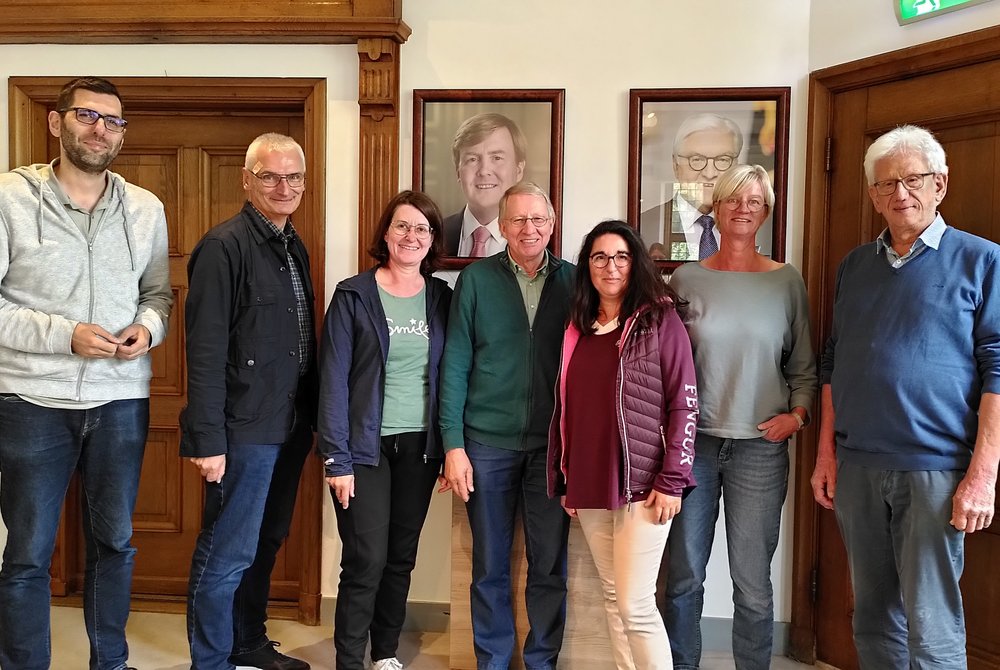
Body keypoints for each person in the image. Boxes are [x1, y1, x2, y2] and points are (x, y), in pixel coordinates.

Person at [810, 125, 1000, 668]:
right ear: (872, 195)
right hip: (859, 468)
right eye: (886, 184)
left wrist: (983, 474)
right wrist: (826, 453)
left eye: (912, 180)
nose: (900, 194)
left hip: (934, 470)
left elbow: (999, 371)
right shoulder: (854, 266)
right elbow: (833, 363)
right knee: (872, 617)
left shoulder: (983, 261)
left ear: (940, 184)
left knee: (931, 621)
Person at [0, 76, 172, 670]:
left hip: (120, 400)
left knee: (115, 545)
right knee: (27, 554)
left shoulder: (146, 208)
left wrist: (147, 329)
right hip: (30, 401)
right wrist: (64, 335)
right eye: (87, 116)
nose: (101, 130)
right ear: (57, 122)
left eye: (114, 121)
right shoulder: (10, 198)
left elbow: (159, 295)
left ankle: (111, 662)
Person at [663, 164, 817, 670]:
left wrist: (796, 418)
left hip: (760, 449)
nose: (743, 208)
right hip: (695, 448)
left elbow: (803, 368)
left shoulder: (786, 282)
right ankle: (682, 663)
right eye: (733, 199)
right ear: (716, 208)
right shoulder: (686, 278)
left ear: (767, 211)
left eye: (753, 201)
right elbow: (665, 362)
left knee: (752, 581)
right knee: (685, 574)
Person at [181, 133, 316, 670]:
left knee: (265, 540)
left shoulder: (291, 244)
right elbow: (206, 349)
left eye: (293, 177)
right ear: (247, 179)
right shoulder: (224, 247)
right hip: (242, 429)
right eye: (270, 175)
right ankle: (210, 660)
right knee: (227, 548)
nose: (283, 186)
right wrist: (208, 439)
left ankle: (248, 642)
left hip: (289, 423)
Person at [547, 220, 698, 670]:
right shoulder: (579, 328)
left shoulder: (660, 320)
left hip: (644, 481)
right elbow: (568, 406)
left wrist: (673, 479)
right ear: (587, 267)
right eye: (599, 257)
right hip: (591, 478)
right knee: (614, 598)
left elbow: (685, 404)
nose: (610, 266)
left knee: (635, 605)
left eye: (620, 256)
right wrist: (566, 474)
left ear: (635, 263)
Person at [440, 181, 574, 670]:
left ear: (552, 224)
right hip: (486, 444)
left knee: (549, 566)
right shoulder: (475, 280)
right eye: (517, 220)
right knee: (489, 566)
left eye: (538, 219)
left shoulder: (575, 282)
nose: (528, 229)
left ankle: (542, 661)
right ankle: (492, 662)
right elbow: (454, 364)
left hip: (551, 448)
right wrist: (453, 445)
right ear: (501, 227)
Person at [318, 190, 451, 670]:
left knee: (400, 556)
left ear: (432, 239)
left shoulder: (440, 297)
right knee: (365, 559)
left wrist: (449, 446)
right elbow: (332, 379)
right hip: (363, 448)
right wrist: (337, 457)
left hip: (420, 448)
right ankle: (350, 659)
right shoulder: (354, 295)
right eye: (402, 226)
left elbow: (451, 375)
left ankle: (386, 652)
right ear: (386, 233)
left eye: (421, 228)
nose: (411, 236)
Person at [639, 113, 743, 261]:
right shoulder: (642, 226)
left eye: (723, 160)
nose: (710, 173)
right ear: (675, 165)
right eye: (697, 159)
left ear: (736, 165)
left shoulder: (753, 225)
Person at [442, 113, 527, 257]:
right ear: (458, 173)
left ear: (518, 170)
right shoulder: (433, 235)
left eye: (497, 158)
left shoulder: (538, 241)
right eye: (472, 159)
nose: (484, 171)